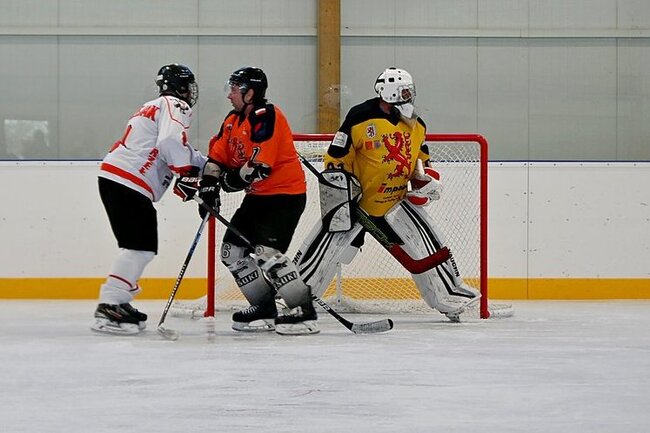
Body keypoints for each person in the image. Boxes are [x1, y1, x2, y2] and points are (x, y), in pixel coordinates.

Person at [294, 67, 480, 322]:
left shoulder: (416, 124)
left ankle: (449, 294)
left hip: (395, 203)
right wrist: (341, 192)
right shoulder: (360, 117)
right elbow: (336, 159)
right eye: (404, 92)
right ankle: (293, 298)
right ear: (390, 93)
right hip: (356, 205)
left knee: (430, 243)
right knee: (321, 253)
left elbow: (421, 164)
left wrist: (424, 183)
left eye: (409, 91)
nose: (409, 96)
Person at [198, 66, 318, 335]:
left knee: (267, 254)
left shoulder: (267, 116)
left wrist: (226, 183)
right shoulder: (232, 120)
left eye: (234, 89)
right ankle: (264, 307)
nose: (229, 95)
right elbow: (216, 159)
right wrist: (207, 186)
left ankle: (304, 312)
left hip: (285, 196)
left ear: (250, 93)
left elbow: (259, 167)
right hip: (257, 197)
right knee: (232, 252)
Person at [92, 63, 206, 335]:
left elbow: (172, 146)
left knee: (138, 246)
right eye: (187, 86)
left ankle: (118, 300)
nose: (190, 92)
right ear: (179, 87)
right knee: (140, 248)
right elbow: (170, 142)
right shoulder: (175, 104)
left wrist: (205, 166)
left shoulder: (152, 106)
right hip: (128, 182)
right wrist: (187, 173)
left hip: (117, 179)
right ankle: (110, 304)